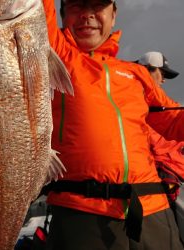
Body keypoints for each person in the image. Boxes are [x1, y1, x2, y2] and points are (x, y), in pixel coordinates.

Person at [42, 0, 184, 249]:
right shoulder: (56, 55)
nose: (87, 15)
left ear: (114, 15)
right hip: (83, 214)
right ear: (62, 15)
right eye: (76, 7)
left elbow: (172, 121)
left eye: (97, 6)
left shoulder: (136, 73)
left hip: (154, 210)